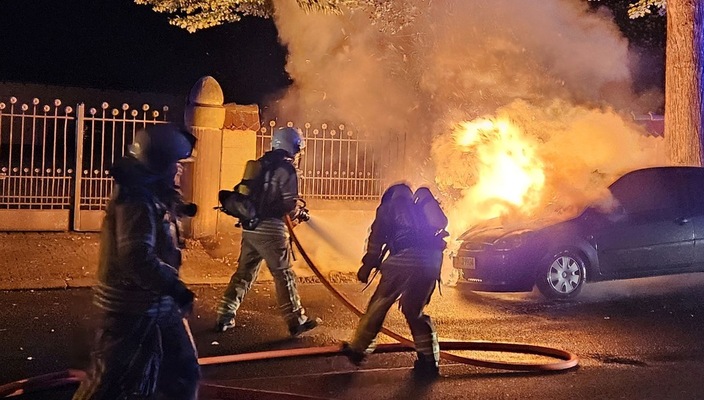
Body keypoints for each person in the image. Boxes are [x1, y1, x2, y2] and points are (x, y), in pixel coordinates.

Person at [73, 124, 200, 400]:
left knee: (183, 373)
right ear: (158, 165)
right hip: (130, 310)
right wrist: (176, 289)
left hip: (157, 305)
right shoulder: (136, 201)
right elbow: (137, 257)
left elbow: (160, 215)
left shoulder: (150, 194)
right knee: (108, 383)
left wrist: (179, 208)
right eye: (175, 164)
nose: (180, 170)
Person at [215, 126, 319, 337]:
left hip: (250, 228)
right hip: (271, 230)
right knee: (284, 274)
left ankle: (225, 314)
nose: (299, 153)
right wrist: (300, 213)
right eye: (298, 148)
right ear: (293, 146)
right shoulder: (287, 169)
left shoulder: (260, 164)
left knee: (244, 273)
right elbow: (289, 205)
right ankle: (296, 320)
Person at [341, 183, 448, 378]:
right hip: (432, 261)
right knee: (414, 311)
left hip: (404, 259)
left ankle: (359, 349)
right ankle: (429, 361)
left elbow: (376, 240)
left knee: (379, 303)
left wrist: (367, 265)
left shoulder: (389, 207)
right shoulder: (421, 206)